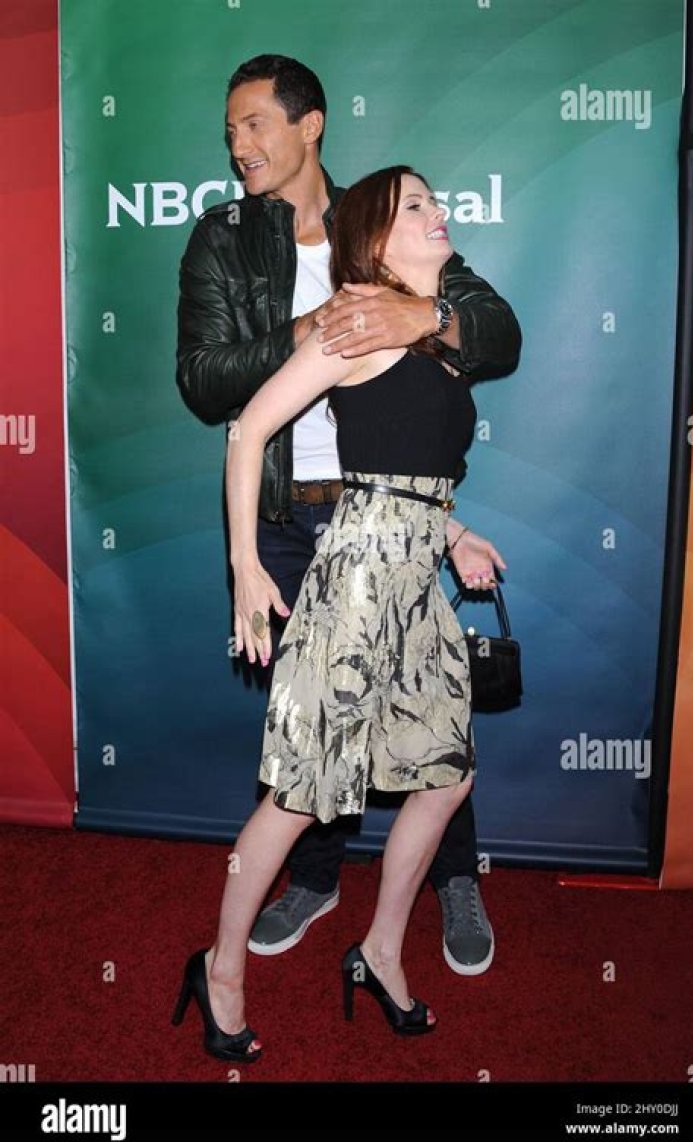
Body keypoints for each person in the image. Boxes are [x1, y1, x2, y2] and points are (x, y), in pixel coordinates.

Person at [176, 54, 521, 977]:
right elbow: (211, 389)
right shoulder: (225, 242)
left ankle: (436, 897)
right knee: (309, 768)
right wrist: (317, 326)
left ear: (311, 124)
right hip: (304, 528)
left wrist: (425, 318)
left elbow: (496, 335)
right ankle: (279, 916)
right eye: (230, 129)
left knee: (439, 755)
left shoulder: (384, 222)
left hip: (394, 525)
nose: (239, 143)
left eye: (254, 122)